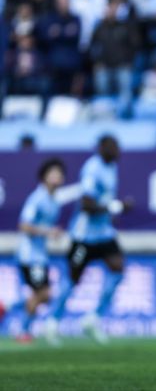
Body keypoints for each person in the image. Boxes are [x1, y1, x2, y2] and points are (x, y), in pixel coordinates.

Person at [45, 135, 133, 345]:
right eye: (113, 147)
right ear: (102, 148)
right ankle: (52, 322)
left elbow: (103, 199)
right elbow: (87, 204)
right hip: (83, 236)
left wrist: (112, 213)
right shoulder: (92, 169)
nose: (117, 151)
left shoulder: (111, 167)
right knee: (73, 279)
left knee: (118, 269)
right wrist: (118, 207)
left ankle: (92, 319)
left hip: (104, 234)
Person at [13, 158, 66, 343]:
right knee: (43, 294)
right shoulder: (38, 198)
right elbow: (24, 225)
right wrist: (48, 232)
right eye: (53, 173)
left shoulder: (53, 200)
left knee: (43, 296)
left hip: (40, 255)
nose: (57, 177)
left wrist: (51, 233)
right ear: (44, 177)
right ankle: (23, 331)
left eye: (59, 174)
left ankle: (8, 308)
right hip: (29, 255)